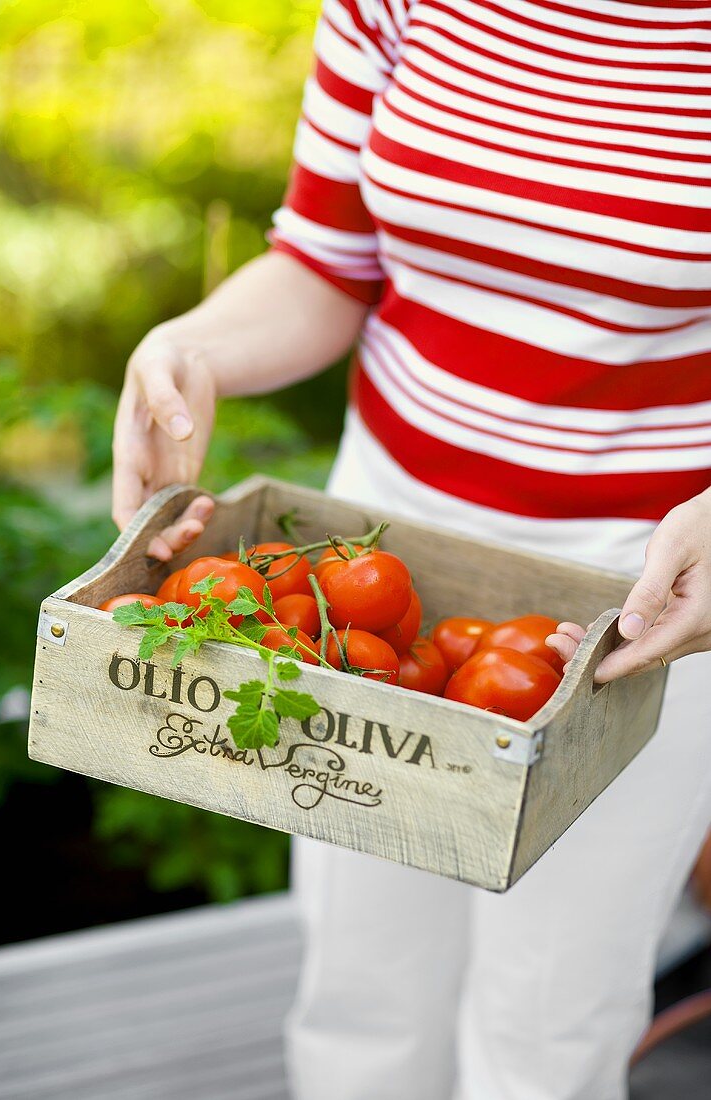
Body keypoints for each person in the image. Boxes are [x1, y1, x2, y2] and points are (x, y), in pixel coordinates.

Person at [112, 2, 711, 1097]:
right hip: (369, 568)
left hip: (646, 601)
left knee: (551, 1020)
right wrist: (188, 345)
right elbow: (323, 265)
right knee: (363, 987)